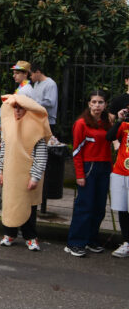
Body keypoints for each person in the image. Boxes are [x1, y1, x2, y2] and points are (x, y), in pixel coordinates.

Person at [0, 94, 51, 252]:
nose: (18, 111)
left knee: (28, 207)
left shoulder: (37, 129)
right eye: (15, 108)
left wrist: (35, 177)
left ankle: (30, 237)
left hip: (28, 176)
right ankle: (9, 234)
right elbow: (4, 150)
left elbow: (41, 156)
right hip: (11, 174)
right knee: (10, 204)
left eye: (21, 108)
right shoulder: (9, 126)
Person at [65, 91, 111, 257]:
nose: (97, 105)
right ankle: (75, 243)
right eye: (94, 102)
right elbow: (76, 150)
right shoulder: (81, 123)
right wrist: (79, 174)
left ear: (105, 105)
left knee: (99, 207)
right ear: (89, 104)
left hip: (104, 167)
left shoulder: (107, 123)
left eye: (100, 102)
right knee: (85, 206)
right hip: (89, 167)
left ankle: (91, 239)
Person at [105, 103, 129, 258]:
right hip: (121, 171)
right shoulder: (125, 125)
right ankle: (126, 242)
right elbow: (110, 137)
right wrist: (119, 120)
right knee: (123, 209)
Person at [30, 62, 58, 131]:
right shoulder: (36, 84)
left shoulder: (50, 84)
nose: (30, 76)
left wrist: (34, 103)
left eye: (31, 74)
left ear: (38, 72)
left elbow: (50, 102)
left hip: (48, 122)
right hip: (37, 120)